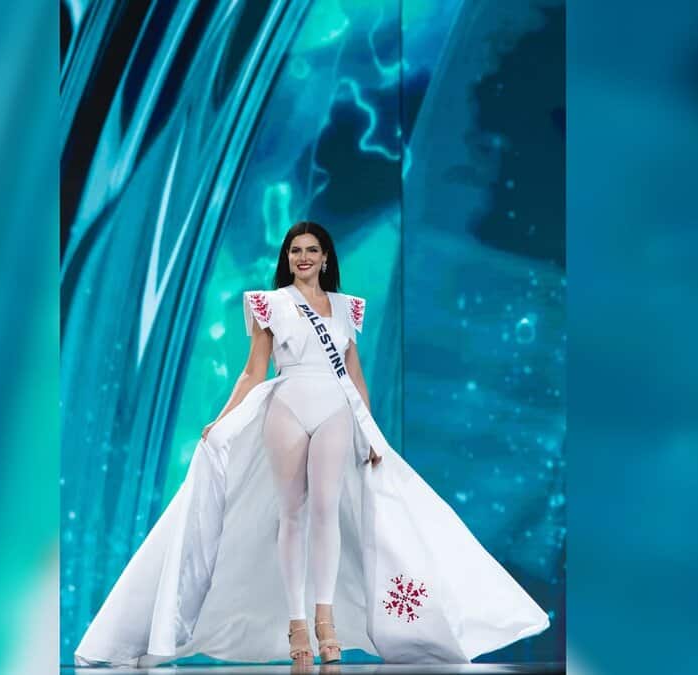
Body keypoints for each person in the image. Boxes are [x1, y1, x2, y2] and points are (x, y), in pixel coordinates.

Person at [75, 222, 549, 668]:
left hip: (336, 408)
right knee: (293, 512)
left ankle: (326, 620)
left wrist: (370, 434)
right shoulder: (267, 303)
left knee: (327, 508)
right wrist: (220, 419)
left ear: (325, 259)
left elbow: (356, 377)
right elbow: (252, 370)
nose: (303, 257)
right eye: (295, 250)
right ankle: (296, 623)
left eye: (311, 251)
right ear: (287, 257)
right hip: (286, 404)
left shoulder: (347, 308)